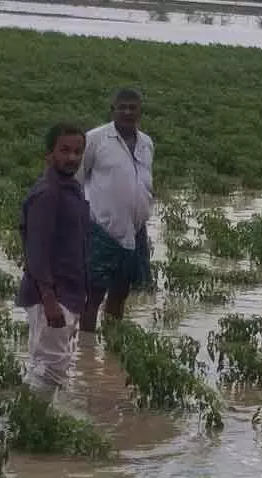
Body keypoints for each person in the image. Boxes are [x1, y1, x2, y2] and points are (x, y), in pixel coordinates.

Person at [15, 123, 90, 396]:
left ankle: (30, 428)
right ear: (49, 154)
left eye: (77, 151)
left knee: (46, 365)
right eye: (64, 150)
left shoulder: (71, 188)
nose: (72, 157)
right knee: (50, 367)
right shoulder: (47, 193)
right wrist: (49, 299)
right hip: (51, 294)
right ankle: (31, 431)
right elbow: (36, 249)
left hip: (67, 291)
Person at [76, 88, 155, 331]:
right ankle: (86, 352)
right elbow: (78, 179)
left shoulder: (146, 143)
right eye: (122, 107)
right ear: (113, 110)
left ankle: (113, 347)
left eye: (133, 107)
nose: (128, 112)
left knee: (120, 294)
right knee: (93, 295)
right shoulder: (95, 139)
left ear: (140, 111)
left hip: (134, 231)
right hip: (101, 230)